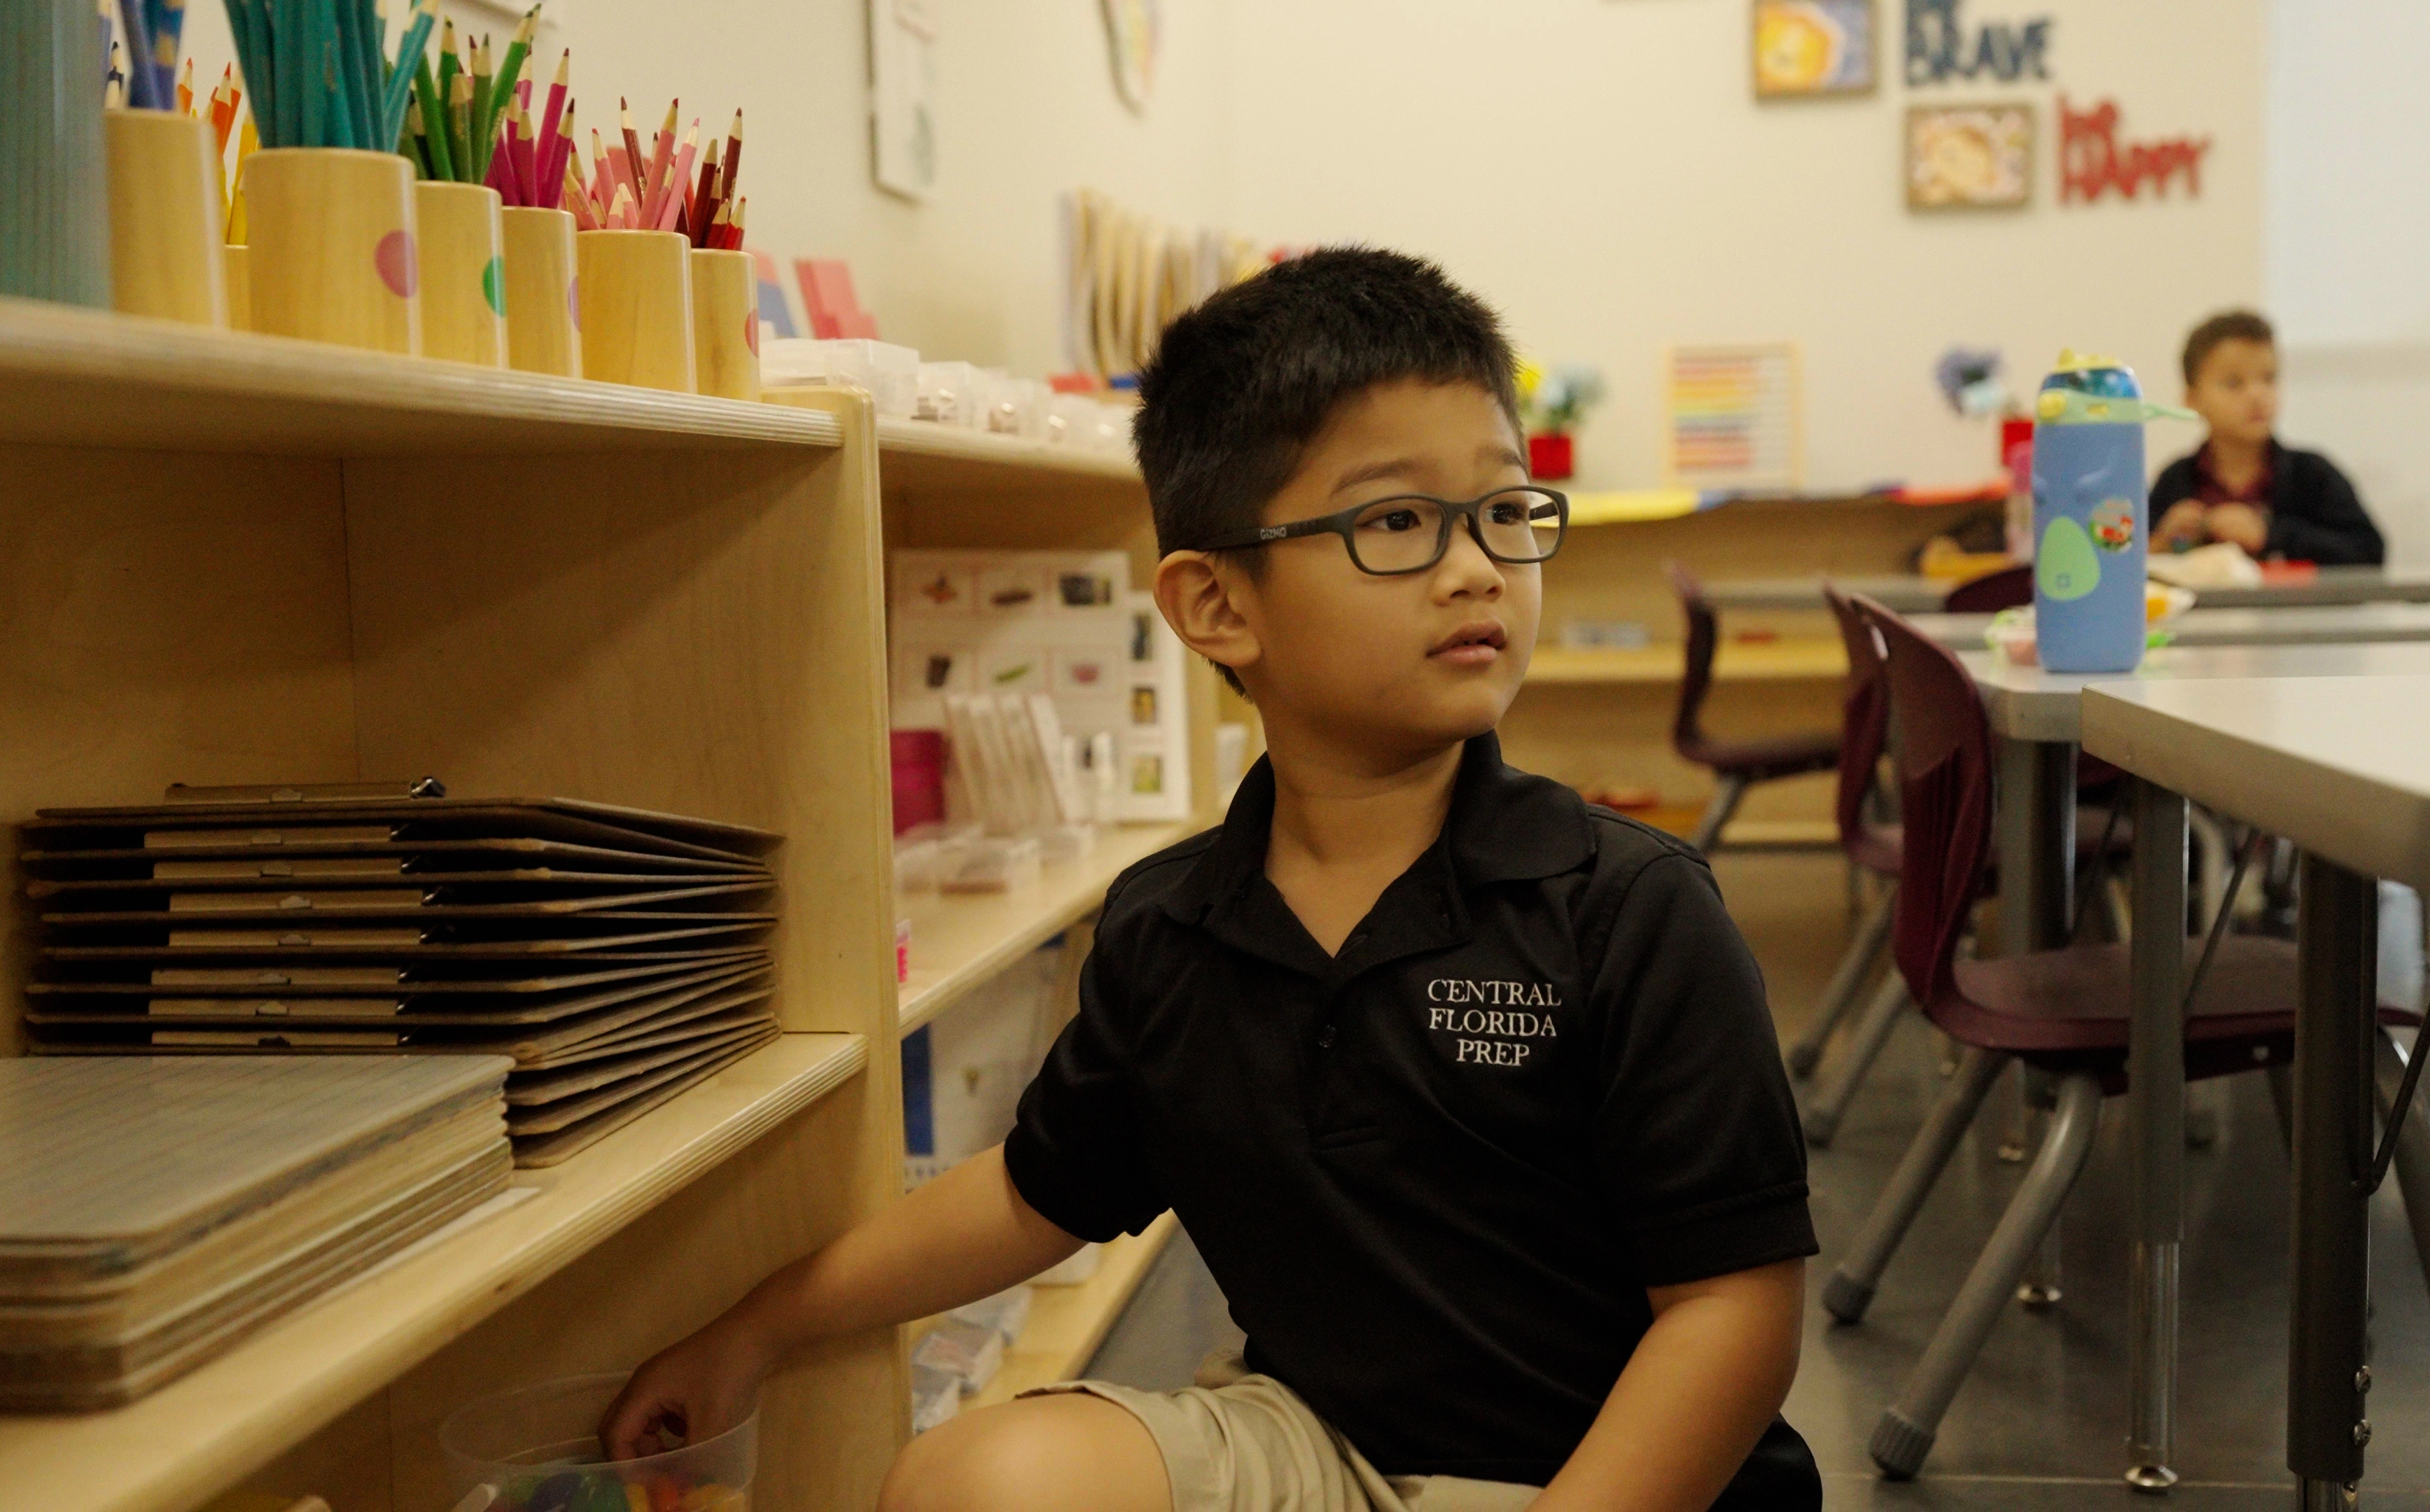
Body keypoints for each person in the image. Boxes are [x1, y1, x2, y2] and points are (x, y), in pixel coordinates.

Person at [601, 249, 1820, 1512]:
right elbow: (1036, 1194)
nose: (1476, 568)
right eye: (1396, 521)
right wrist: (753, 1328)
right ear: (1217, 607)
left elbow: (1733, 1310)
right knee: (975, 1481)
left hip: (1623, 1481)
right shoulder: (1173, 927)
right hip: (1323, 1452)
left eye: (1506, 511)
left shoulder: (1627, 906)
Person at [2146, 309, 2384, 565]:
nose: (2257, 395)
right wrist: (2164, 542)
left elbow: (2370, 552)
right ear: (2192, 400)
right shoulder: (2175, 481)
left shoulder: (2312, 474)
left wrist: (2271, 535)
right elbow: (2131, 560)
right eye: (2234, 383)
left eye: (2269, 379)